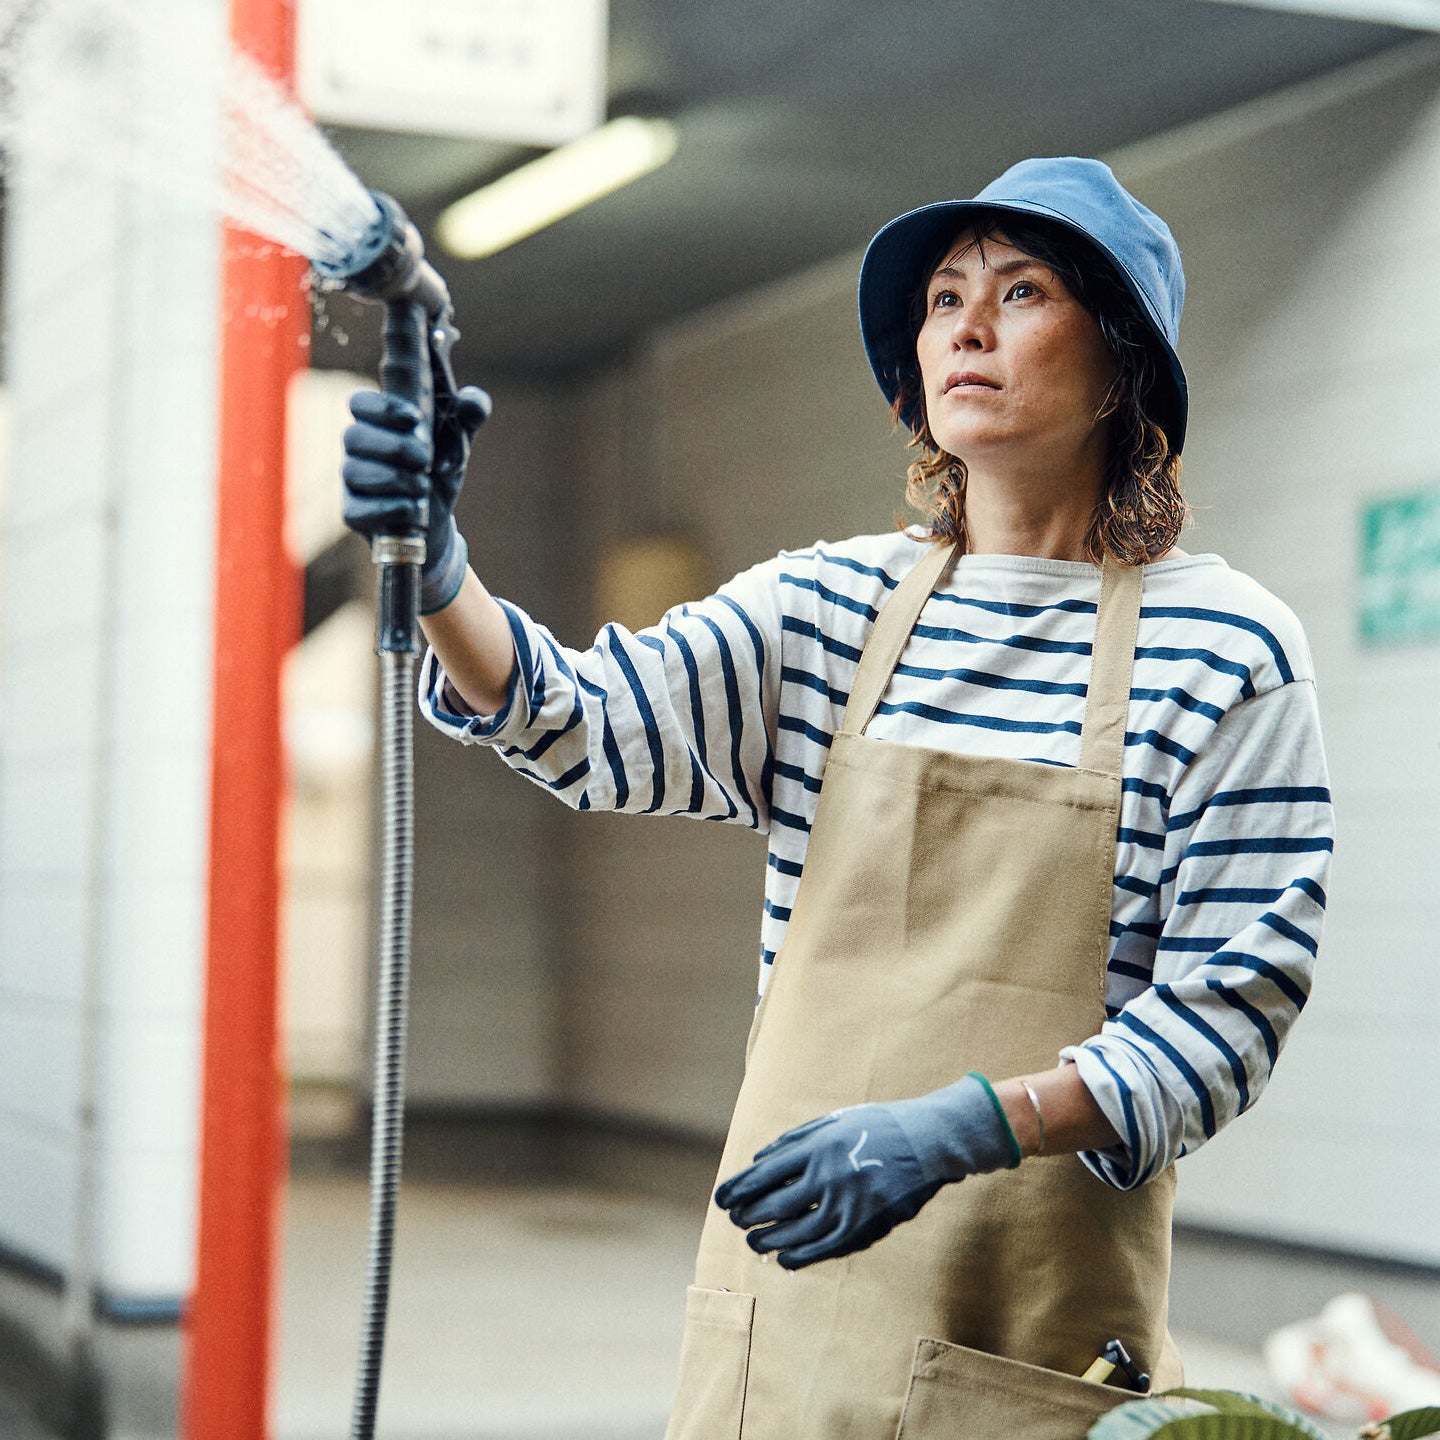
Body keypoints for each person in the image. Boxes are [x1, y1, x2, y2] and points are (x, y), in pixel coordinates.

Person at [341, 157, 1333, 1438]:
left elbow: (1226, 1017)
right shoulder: (826, 608)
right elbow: (580, 724)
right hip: (783, 1339)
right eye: (942, 298)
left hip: (1026, 1358)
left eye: (1022, 291)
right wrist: (442, 572)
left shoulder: (1228, 651)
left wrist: (973, 1123)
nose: (966, 326)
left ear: (1125, 361)